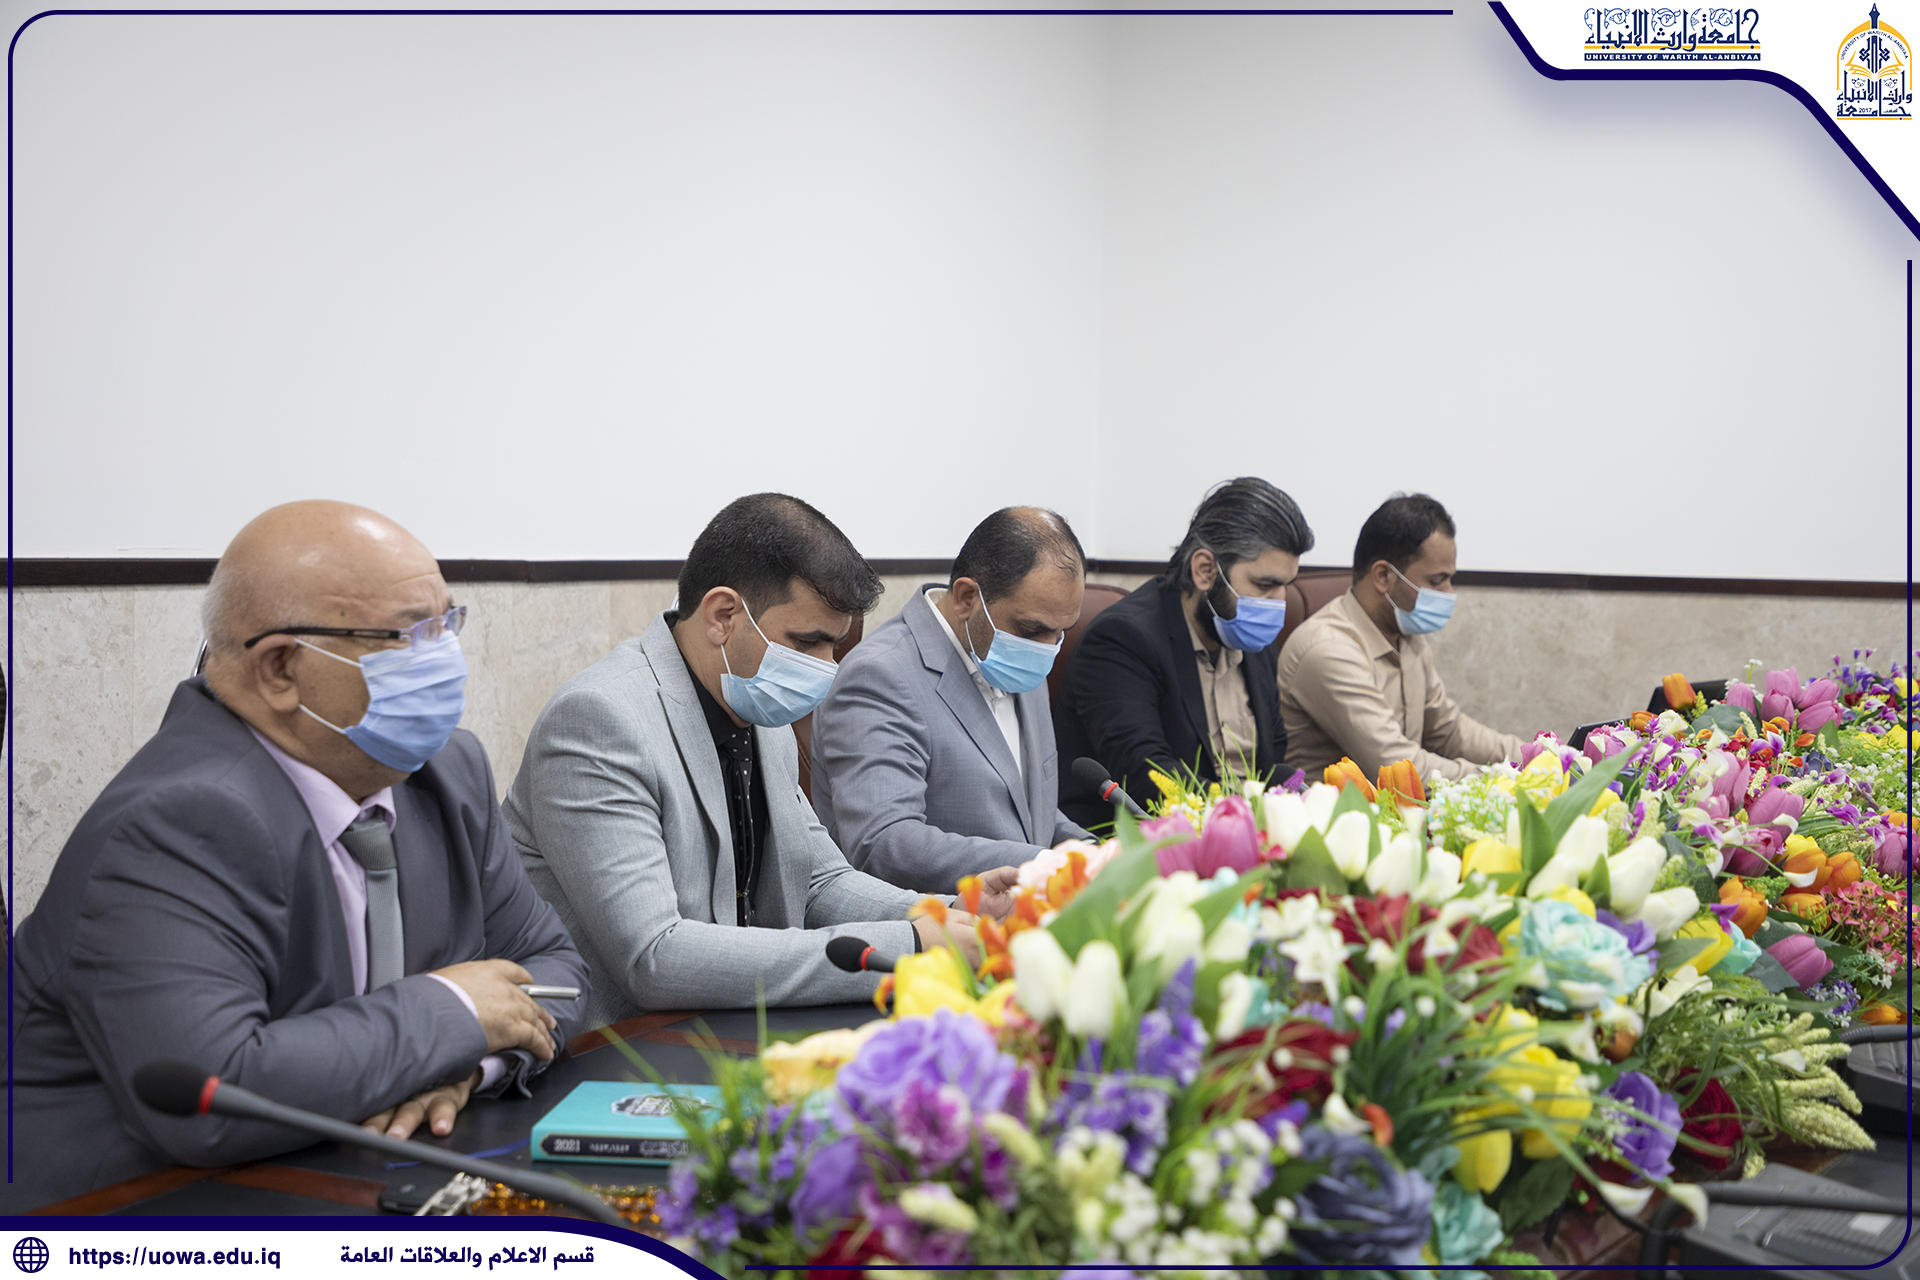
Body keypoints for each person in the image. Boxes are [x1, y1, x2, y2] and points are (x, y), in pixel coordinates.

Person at [7, 501, 587, 1212]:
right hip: (138, 1213)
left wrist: (469, 1064)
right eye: (407, 635)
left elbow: (556, 969)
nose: (442, 659)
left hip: (353, 1175)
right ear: (280, 668)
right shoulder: (179, 820)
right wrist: (456, 1011)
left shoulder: (447, 771)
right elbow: (212, 1091)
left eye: (446, 625)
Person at [505, 493, 1014, 1026]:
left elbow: (818, 882)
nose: (827, 669)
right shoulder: (598, 720)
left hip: (728, 1025)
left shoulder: (755, 703)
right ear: (723, 616)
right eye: (808, 642)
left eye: (835, 646)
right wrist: (909, 944)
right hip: (608, 1048)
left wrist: (947, 915)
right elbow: (654, 958)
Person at [811, 507, 1093, 894]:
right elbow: (884, 842)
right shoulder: (880, 674)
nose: (1047, 649)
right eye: (1032, 630)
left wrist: (1093, 855)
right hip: (936, 923)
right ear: (966, 598)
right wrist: (1040, 865)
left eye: (1061, 633)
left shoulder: (1020, 658)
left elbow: (1027, 809)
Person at [1054, 477, 1312, 830]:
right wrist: (1248, 817)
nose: (1278, 602)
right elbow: (1149, 777)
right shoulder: (1122, 639)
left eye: (1286, 585)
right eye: (1264, 585)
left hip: (1248, 837)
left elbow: (1272, 761)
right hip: (1140, 842)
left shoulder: (1252, 637)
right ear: (1205, 570)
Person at [1278, 492, 1525, 782]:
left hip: (1397, 805)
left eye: (1449, 579)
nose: (1449, 593)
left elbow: (1449, 731)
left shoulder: (1406, 636)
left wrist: (1537, 756)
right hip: (1335, 810)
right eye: (1436, 581)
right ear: (1383, 576)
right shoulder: (1329, 650)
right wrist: (1506, 778)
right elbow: (1394, 764)